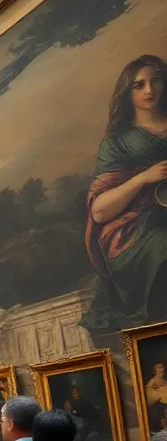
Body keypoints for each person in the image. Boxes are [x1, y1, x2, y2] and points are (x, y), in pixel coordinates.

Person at [83, 55, 167, 333]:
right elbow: (99, 211)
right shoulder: (117, 144)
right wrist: (144, 177)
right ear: (127, 93)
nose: (149, 90)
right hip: (138, 228)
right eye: (138, 85)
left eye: (155, 81)